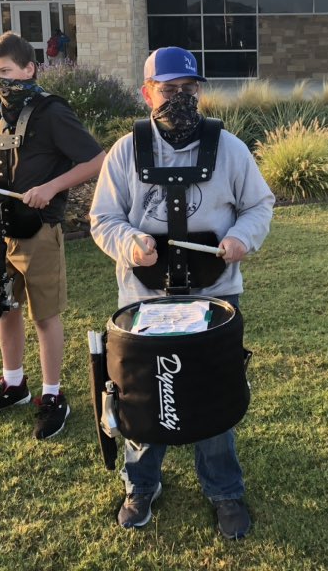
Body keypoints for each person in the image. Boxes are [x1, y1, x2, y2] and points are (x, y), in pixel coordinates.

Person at [89, 46, 274, 539]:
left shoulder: (229, 148)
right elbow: (102, 218)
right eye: (168, 91)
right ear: (147, 92)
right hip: (143, 301)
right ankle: (141, 485)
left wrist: (241, 238)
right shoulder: (125, 153)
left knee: (212, 394)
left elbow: (259, 203)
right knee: (142, 395)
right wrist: (129, 244)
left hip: (216, 295)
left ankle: (224, 490)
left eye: (188, 90)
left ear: (200, 91)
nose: (179, 100)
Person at [0, 31, 105, 440]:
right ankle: (14, 384)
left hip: (39, 231)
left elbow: (96, 159)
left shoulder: (52, 112)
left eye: (5, 71)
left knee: (44, 315)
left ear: (29, 69)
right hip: (0, 230)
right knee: (6, 308)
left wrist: (53, 187)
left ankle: (52, 395)